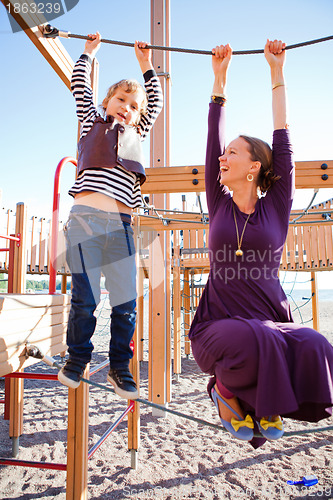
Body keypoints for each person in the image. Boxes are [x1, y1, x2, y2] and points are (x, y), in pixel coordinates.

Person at [188, 39, 333, 446]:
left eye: (232, 153)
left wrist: (276, 70)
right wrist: (220, 79)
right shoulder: (218, 203)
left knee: (315, 342)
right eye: (223, 153)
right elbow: (211, 142)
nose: (222, 158)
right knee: (261, 338)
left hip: (271, 319)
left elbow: (283, 139)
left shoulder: (277, 206)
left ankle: (264, 402)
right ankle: (226, 391)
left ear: (254, 167)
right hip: (218, 326)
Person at [58, 33, 163, 399]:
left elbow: (157, 101)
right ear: (107, 101)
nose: (127, 108)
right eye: (121, 99)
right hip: (86, 218)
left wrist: (146, 64)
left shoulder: (138, 133)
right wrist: (88, 53)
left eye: (134, 105)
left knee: (125, 301)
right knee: (85, 299)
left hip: (120, 226)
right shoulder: (92, 121)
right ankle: (77, 358)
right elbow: (79, 86)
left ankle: (120, 366)